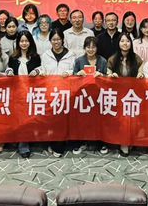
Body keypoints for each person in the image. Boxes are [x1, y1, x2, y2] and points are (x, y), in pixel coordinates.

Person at [39, 28, 76, 158]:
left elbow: (74, 70)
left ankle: (59, 147)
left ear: (62, 40)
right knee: (51, 120)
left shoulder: (70, 54)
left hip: (66, 92)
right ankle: (53, 143)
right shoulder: (46, 55)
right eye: (53, 39)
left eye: (58, 39)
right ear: (50, 41)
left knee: (62, 120)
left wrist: (69, 73)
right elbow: (43, 69)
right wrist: (42, 73)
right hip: (50, 92)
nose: (56, 42)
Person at [107, 33, 144, 156]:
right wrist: (111, 76)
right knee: (121, 121)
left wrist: (140, 75)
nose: (125, 43)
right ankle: (123, 143)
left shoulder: (137, 58)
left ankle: (129, 141)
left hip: (132, 95)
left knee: (132, 121)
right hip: (117, 95)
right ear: (118, 43)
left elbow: (141, 73)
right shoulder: (112, 59)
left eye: (127, 41)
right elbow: (107, 74)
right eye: (122, 41)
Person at [6, 31, 42, 158]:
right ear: (18, 43)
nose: (24, 43)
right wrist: (9, 71)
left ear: (30, 42)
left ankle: (25, 143)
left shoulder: (35, 57)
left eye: (26, 41)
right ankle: (21, 142)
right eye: (21, 41)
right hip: (17, 93)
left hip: (31, 93)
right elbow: (8, 68)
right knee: (20, 119)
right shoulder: (13, 57)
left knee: (28, 119)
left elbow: (41, 68)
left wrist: (37, 71)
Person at [72, 36, 108, 155]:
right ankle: (80, 142)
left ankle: (100, 143)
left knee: (99, 120)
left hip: (98, 96)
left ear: (97, 48)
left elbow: (107, 80)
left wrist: (101, 76)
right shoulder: (79, 61)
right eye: (88, 47)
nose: (91, 49)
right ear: (84, 48)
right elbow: (72, 79)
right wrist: (78, 74)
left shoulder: (103, 61)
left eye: (93, 47)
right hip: (83, 96)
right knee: (81, 120)